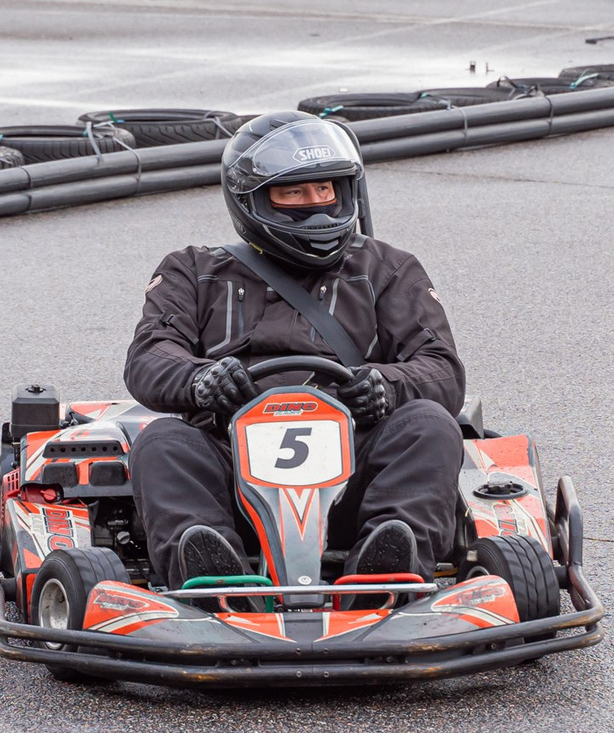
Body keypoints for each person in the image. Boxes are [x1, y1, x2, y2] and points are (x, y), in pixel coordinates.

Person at [124, 112, 465, 586]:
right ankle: (211, 574)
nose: (317, 208)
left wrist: (386, 385)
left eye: (325, 190)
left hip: (355, 478)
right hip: (230, 472)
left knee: (430, 424)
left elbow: (442, 370)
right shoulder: (193, 270)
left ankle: (388, 564)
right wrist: (202, 380)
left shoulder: (388, 268)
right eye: (294, 193)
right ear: (253, 201)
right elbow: (150, 357)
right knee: (162, 441)